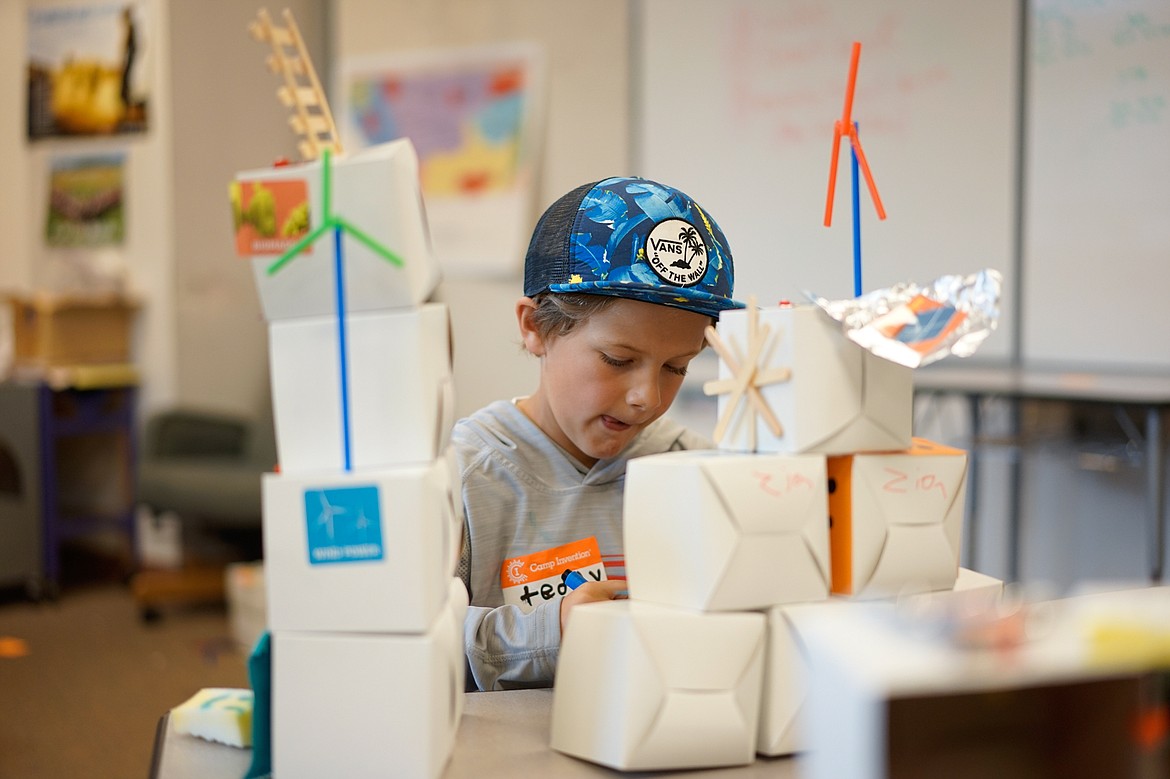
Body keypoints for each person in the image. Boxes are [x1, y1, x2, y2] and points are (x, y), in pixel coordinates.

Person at [452, 176, 742, 691]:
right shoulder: (464, 481)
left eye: (677, 367)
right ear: (535, 327)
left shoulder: (698, 473)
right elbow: (405, 653)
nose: (646, 398)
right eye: (618, 360)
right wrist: (552, 630)